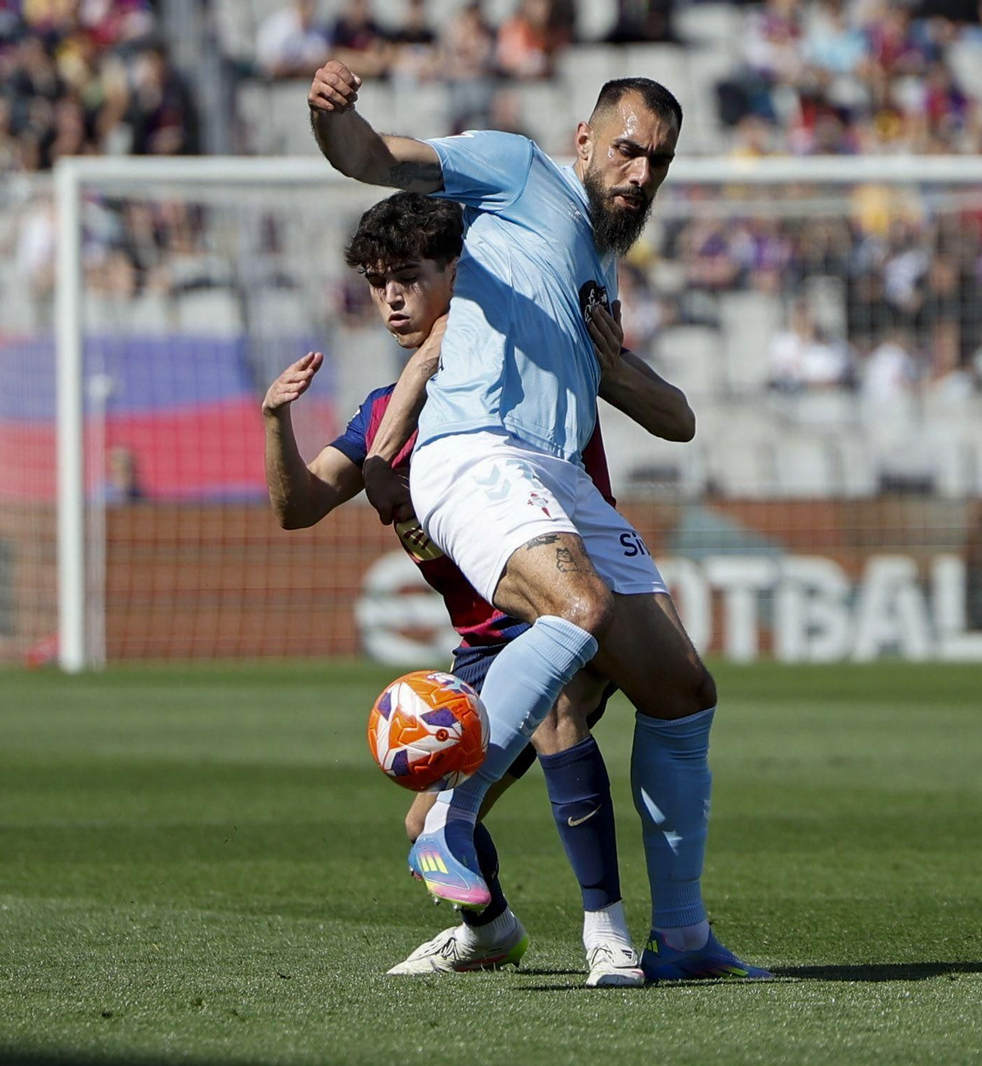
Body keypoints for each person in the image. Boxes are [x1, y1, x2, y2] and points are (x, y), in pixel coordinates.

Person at [307, 61, 767, 981]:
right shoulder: (517, 173)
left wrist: (619, 366)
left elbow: (673, 419)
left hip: (559, 478)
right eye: (628, 150)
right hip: (477, 451)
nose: (641, 173)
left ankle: (680, 940)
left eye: (659, 162)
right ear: (584, 141)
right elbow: (371, 159)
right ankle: (451, 817)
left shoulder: (598, 262)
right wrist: (335, 116)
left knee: (684, 692)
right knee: (579, 610)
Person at [263, 192, 696, 987]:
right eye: (376, 282)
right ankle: (489, 927)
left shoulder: (528, 368)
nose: (391, 296)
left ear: (455, 275)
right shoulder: (375, 416)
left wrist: (615, 367)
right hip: (484, 648)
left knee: (559, 711)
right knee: (421, 820)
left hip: (570, 601)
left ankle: (608, 931)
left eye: (408, 277)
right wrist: (274, 423)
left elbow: (677, 418)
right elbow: (295, 508)